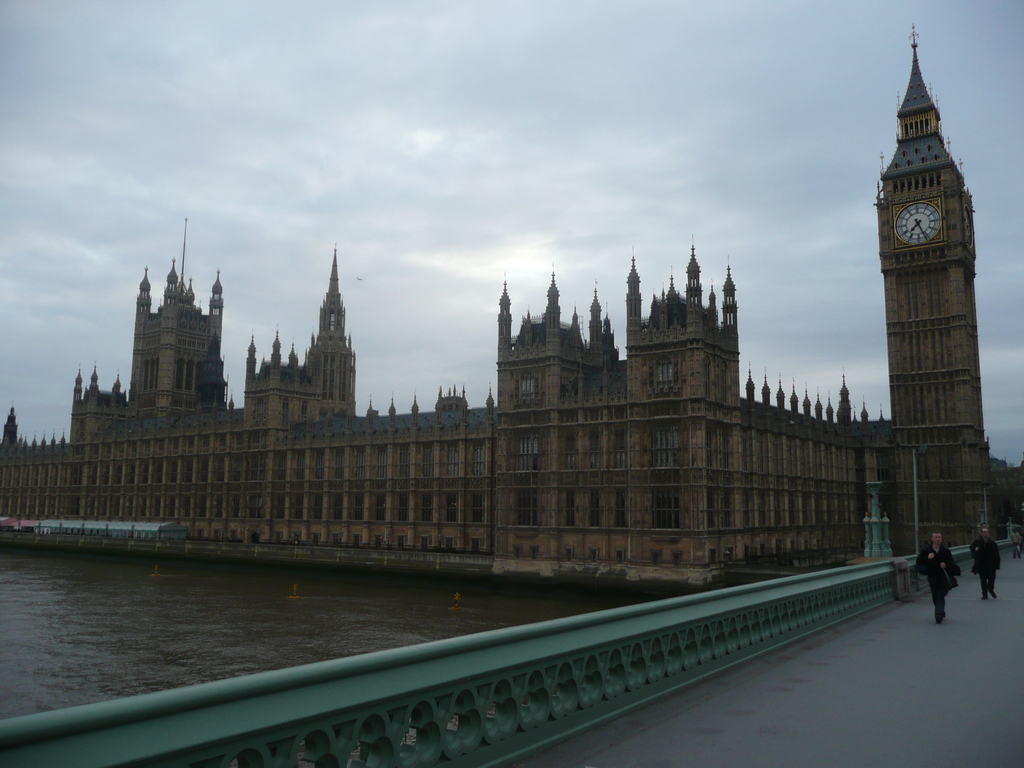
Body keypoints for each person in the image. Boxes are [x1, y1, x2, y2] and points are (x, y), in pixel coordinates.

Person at [917, 532, 957, 623]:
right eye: (936, 537)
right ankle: (940, 611)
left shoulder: (945, 550)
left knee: (940, 594)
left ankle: (938, 614)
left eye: (939, 537)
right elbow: (919, 561)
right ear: (932, 539)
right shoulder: (926, 550)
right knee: (935, 594)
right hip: (932, 575)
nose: (938, 539)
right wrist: (928, 558)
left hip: (942, 575)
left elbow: (952, 562)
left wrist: (946, 565)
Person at [970, 524, 1001, 598]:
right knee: (983, 580)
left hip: (991, 564)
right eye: (984, 532)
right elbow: (971, 547)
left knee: (991, 579)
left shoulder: (992, 543)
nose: (986, 533)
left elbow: (997, 555)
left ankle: (990, 589)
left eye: (987, 532)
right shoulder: (978, 541)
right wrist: (975, 549)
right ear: (981, 533)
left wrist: (997, 565)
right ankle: (984, 594)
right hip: (981, 564)